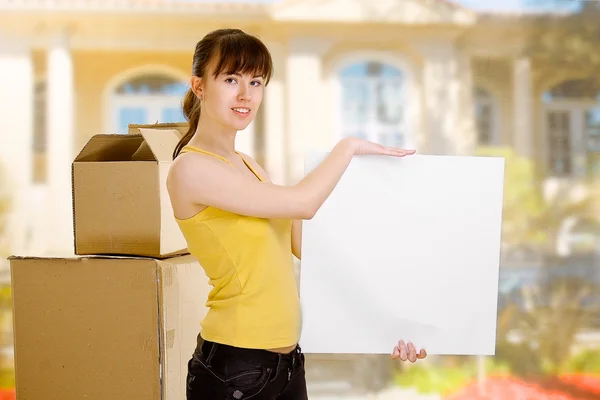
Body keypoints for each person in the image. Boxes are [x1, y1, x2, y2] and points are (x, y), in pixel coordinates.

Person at [167, 28, 427, 400]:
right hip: (235, 371)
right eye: (230, 79)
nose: (245, 94)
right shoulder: (191, 169)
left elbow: (310, 250)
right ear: (199, 85)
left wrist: (391, 324)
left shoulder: (248, 166)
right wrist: (348, 146)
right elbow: (303, 203)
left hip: (286, 367)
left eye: (256, 81)